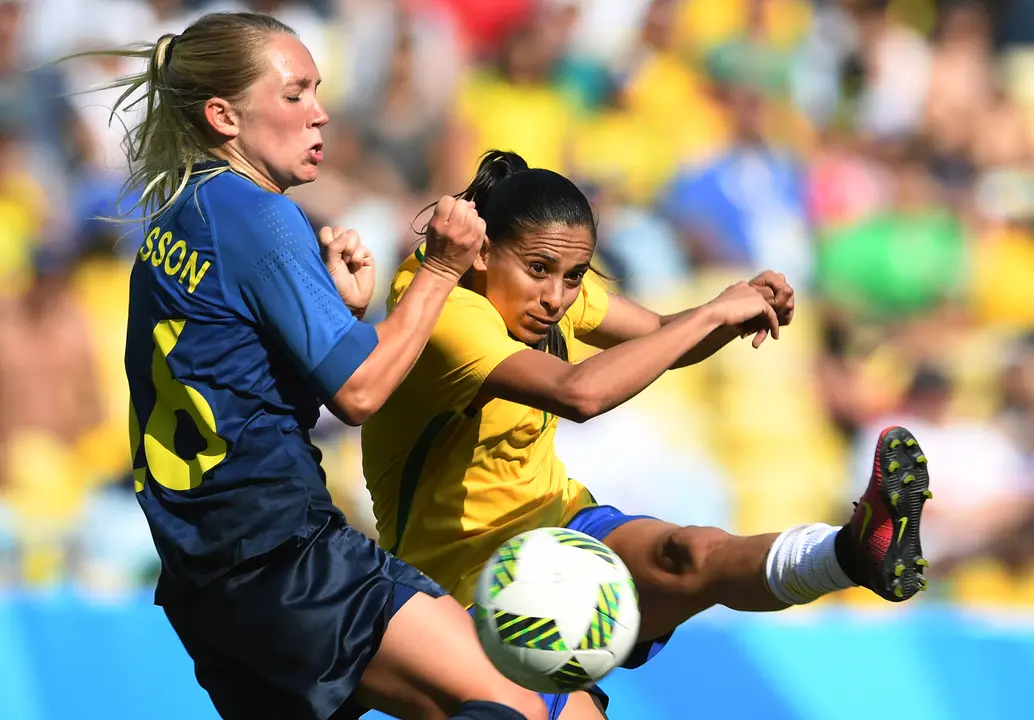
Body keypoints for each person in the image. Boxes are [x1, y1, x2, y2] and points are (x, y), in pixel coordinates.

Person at [361, 150, 933, 718]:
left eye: (573, 278)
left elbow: (660, 335)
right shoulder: (443, 308)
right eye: (540, 271)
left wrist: (736, 308)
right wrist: (711, 315)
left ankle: (852, 554)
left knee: (689, 553)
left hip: (556, 524)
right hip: (465, 587)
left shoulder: (541, 286)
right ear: (483, 251)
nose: (557, 298)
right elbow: (580, 393)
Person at [95, 13, 546, 720]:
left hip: (207, 582)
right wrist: (440, 266)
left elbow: (241, 386)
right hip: (286, 556)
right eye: (296, 94)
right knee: (514, 704)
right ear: (224, 116)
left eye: (319, 90)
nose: (321, 113)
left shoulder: (176, 216)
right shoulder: (259, 215)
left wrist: (335, 319)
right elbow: (361, 393)